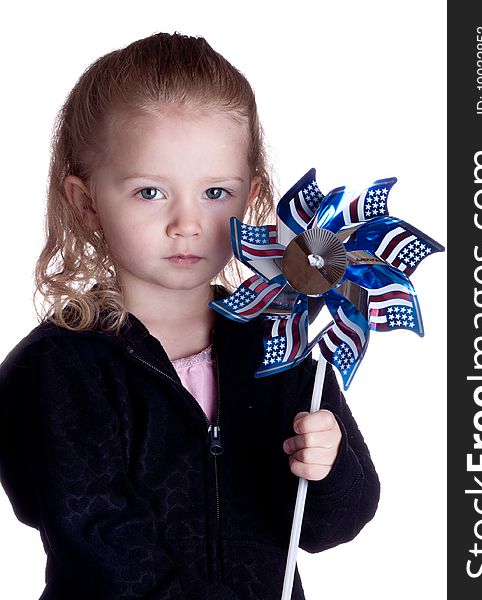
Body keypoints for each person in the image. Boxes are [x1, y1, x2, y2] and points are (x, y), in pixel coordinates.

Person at [0, 32, 380, 600]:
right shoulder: (57, 371)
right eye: (150, 192)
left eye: (215, 192)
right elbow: (102, 545)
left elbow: (334, 524)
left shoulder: (279, 339)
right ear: (87, 203)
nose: (187, 222)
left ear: (251, 197)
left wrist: (327, 470)